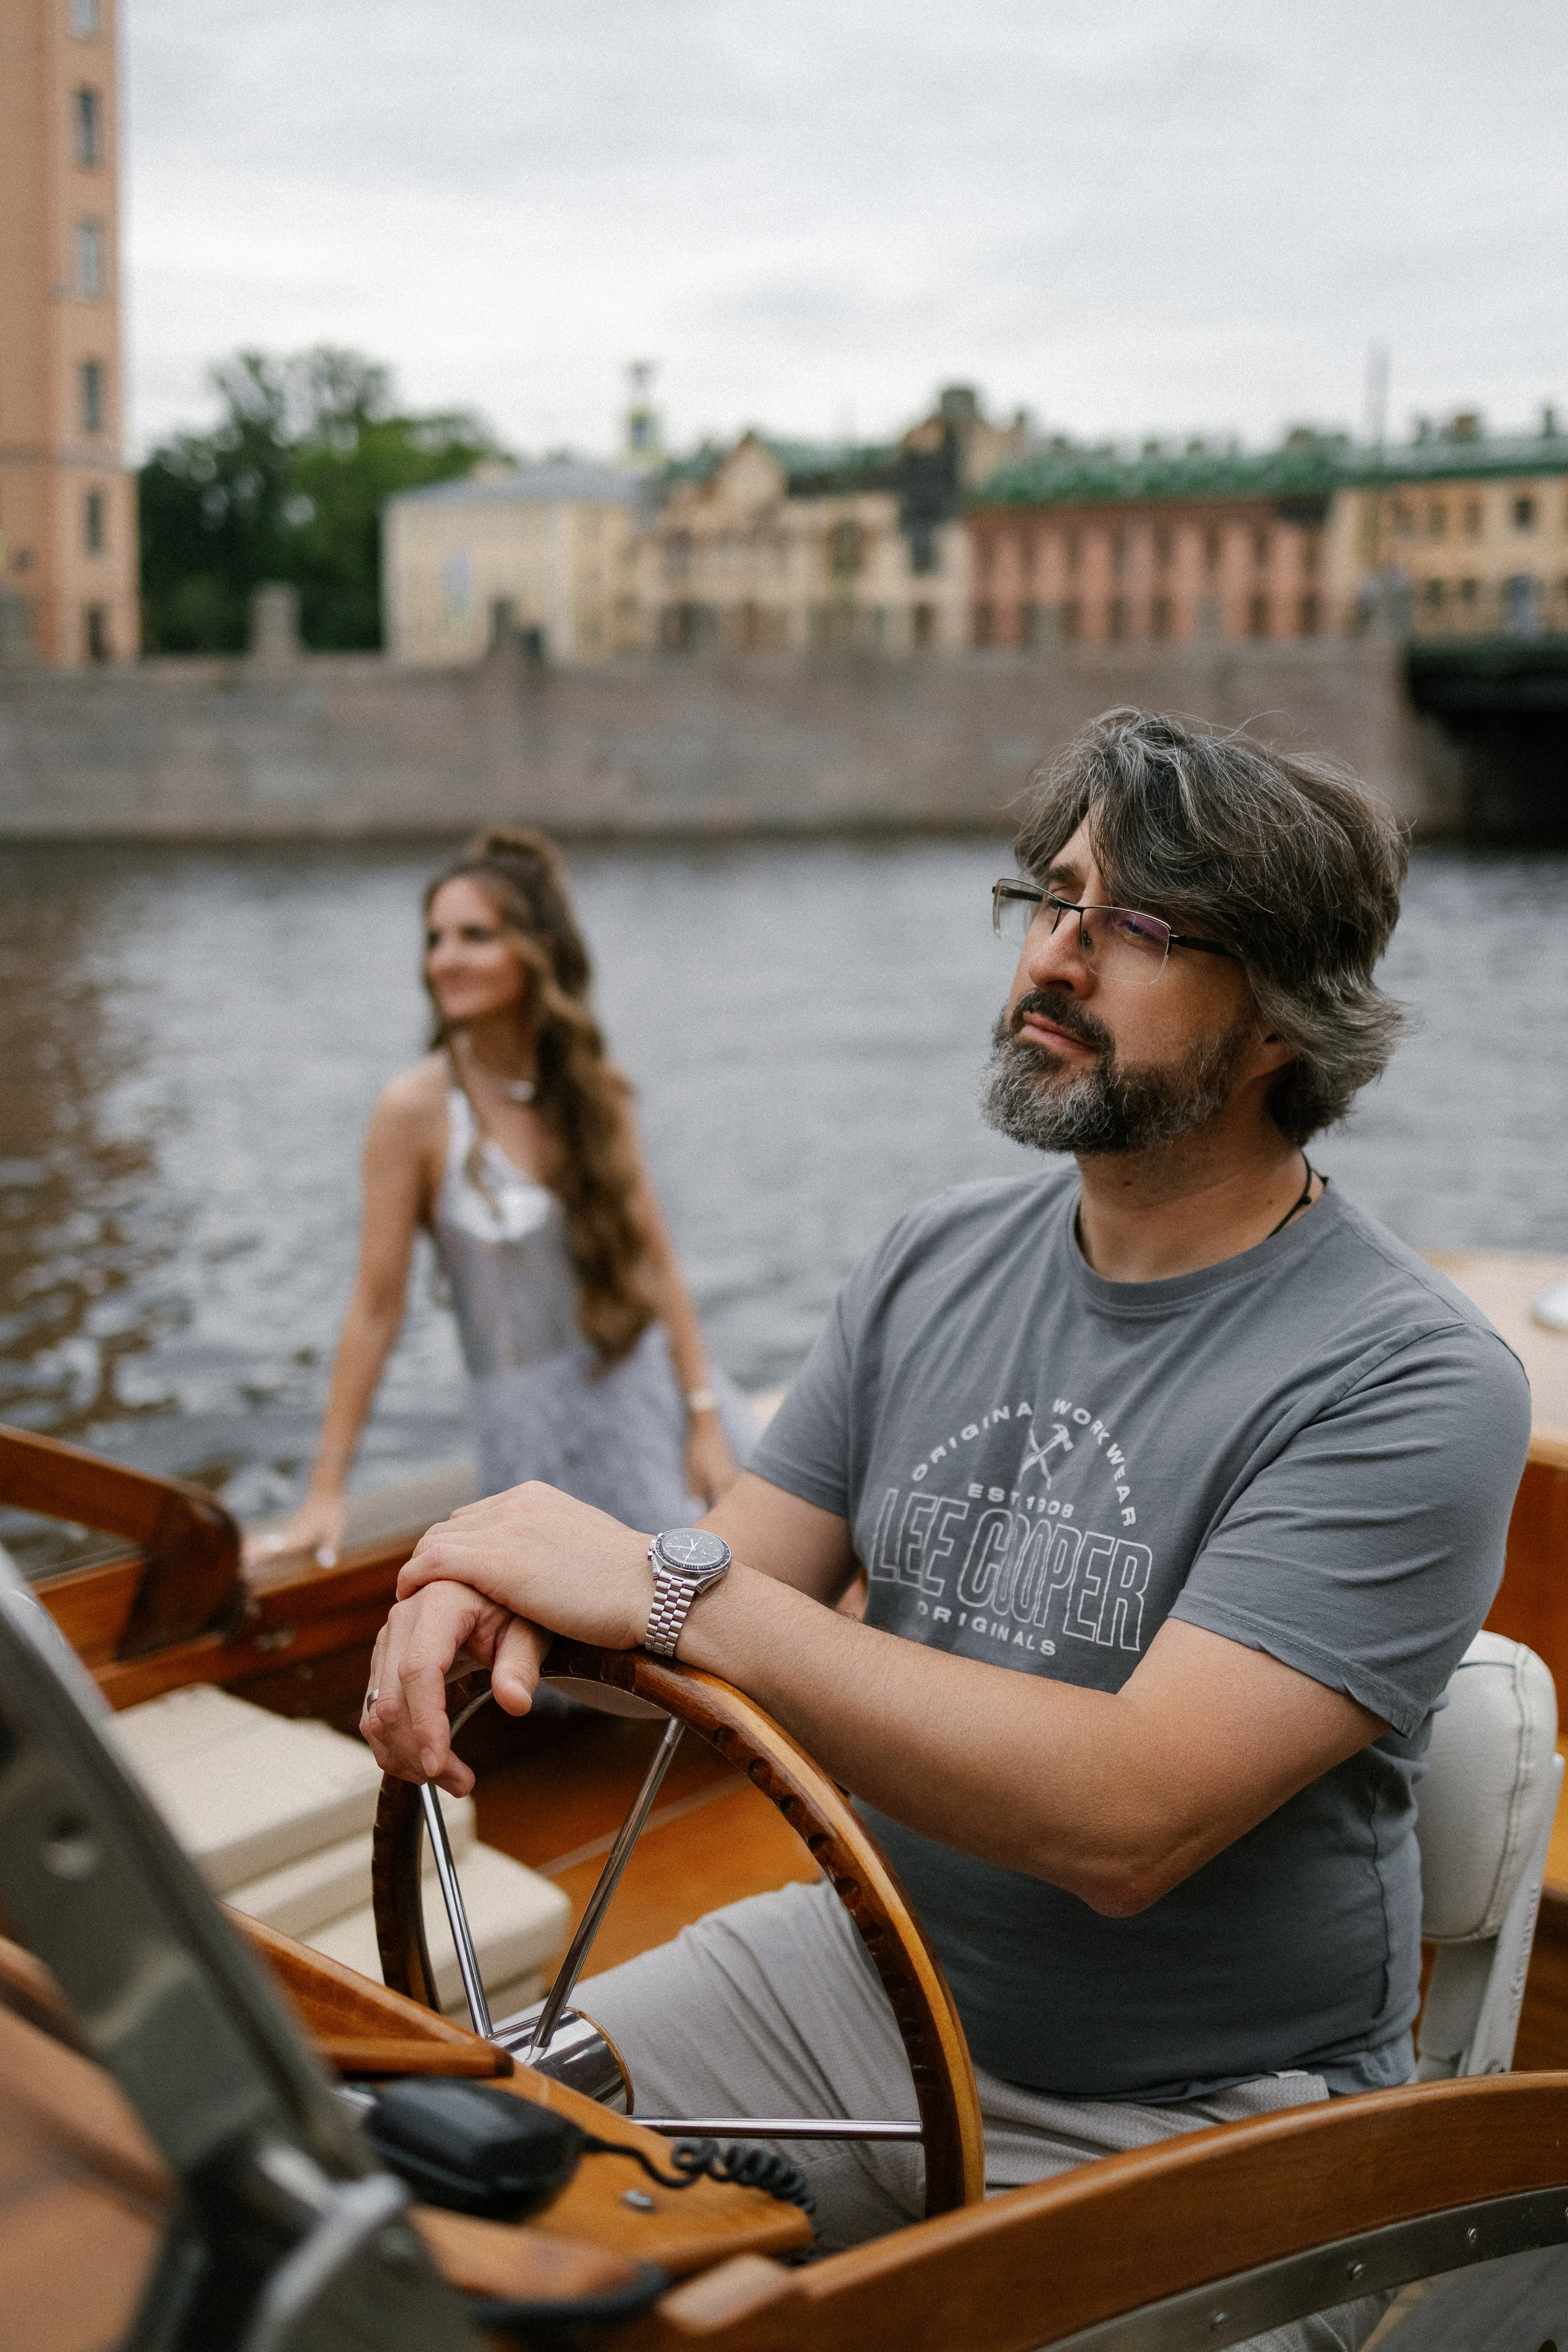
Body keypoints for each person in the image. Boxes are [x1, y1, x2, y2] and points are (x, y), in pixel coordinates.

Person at [360, 712, 1530, 2307]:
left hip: (1200, 2121)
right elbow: (725, 1576)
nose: (1053, 960)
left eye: (1132, 929)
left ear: (1278, 1021)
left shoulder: (1412, 1381)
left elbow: (1125, 1821)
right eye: (1048, 904)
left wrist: (659, 1583)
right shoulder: (932, 1262)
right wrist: (499, 1585)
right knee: (403, 2211)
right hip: (864, 1977)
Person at [246, 827, 750, 1569]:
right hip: (531, 1439)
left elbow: (657, 1266)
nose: (444, 958)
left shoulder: (591, 1086)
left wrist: (704, 1420)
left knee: (747, 1593)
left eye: (473, 935)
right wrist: (327, 1490)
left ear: (535, 947)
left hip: (650, 1403)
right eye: (434, 938)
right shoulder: (413, 1110)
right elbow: (376, 1309)